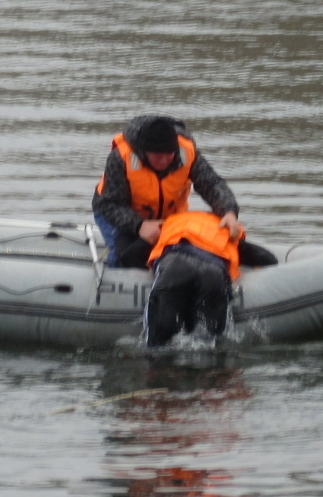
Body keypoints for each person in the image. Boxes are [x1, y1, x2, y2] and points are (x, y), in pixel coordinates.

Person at [91, 114, 241, 270]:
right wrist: (139, 225)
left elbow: (211, 184)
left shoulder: (186, 152)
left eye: (169, 155)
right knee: (121, 256)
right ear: (143, 152)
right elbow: (109, 204)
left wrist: (228, 211)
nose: (163, 161)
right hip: (118, 214)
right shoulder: (120, 158)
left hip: (168, 220)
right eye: (157, 156)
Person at [142, 209, 243, 347]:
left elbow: (128, 255)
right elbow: (265, 257)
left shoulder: (171, 225)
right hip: (213, 274)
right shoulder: (229, 229)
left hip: (175, 269)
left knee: (157, 347)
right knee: (211, 347)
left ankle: (157, 365)